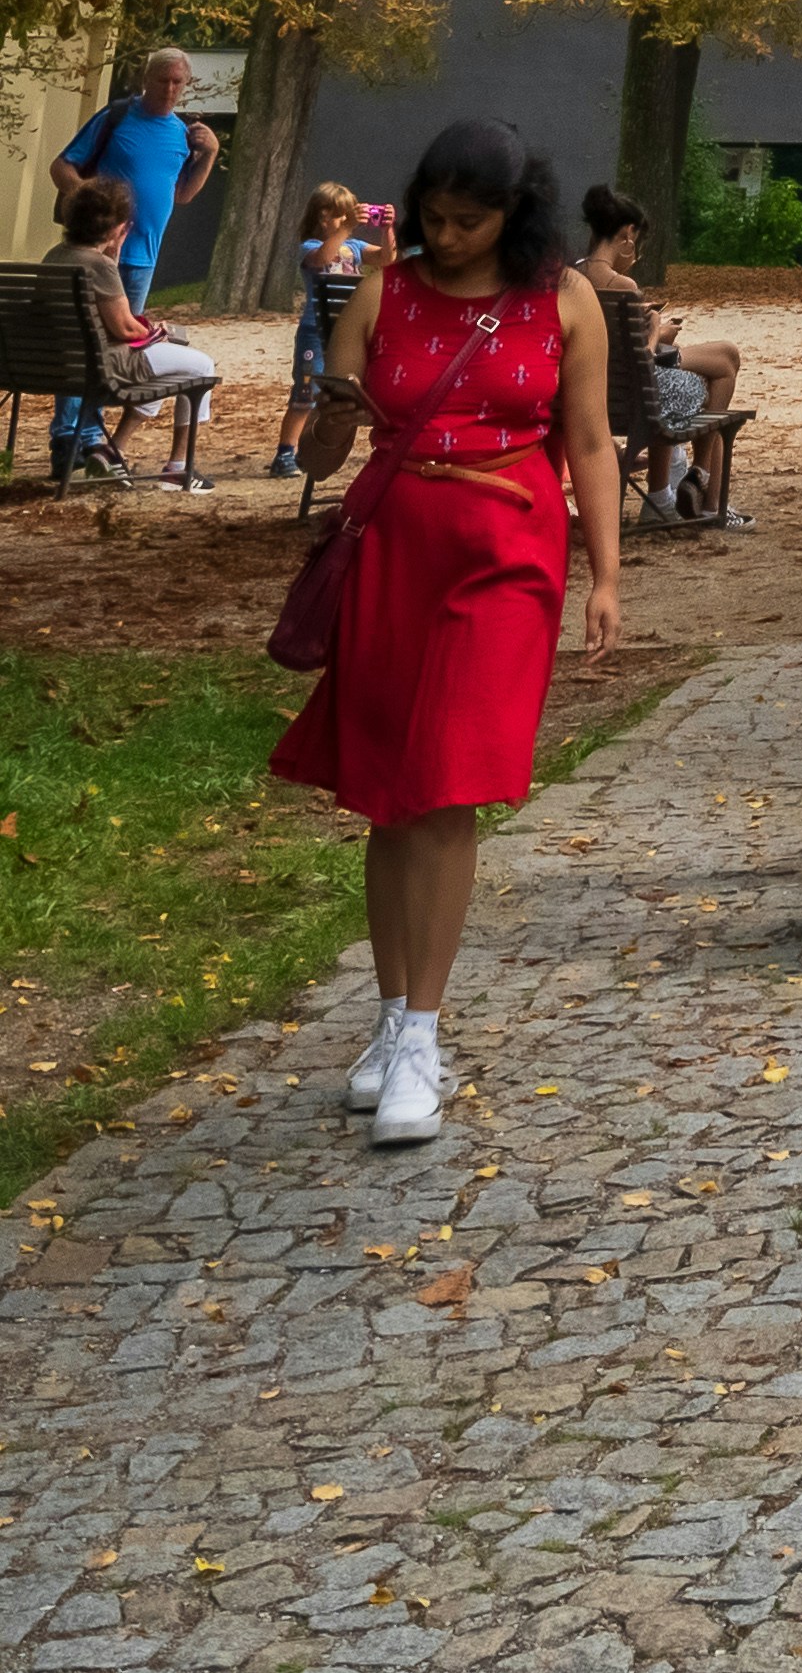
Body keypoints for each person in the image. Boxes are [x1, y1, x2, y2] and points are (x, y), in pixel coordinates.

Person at [279, 117, 619, 1152]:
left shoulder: (564, 298)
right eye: (434, 216)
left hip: (509, 546)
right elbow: (320, 452)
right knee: (389, 792)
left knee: (448, 779)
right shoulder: (386, 289)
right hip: (396, 543)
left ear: (517, 215)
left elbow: (593, 441)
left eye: (470, 221)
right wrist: (329, 402)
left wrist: (607, 574)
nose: (449, 235)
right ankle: (389, 1021)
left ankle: (423, 1031)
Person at [578, 187, 742, 521]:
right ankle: (702, 488)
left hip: (594, 395)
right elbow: (646, 357)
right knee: (722, 371)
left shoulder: (572, 277)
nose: (635, 254)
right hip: (639, 397)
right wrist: (657, 330)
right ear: (628, 234)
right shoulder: (621, 286)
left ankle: (670, 493)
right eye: (636, 245)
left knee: (720, 360)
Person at [55, 176, 224, 488]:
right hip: (105, 367)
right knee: (200, 366)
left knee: (174, 362)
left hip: (59, 366)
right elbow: (124, 327)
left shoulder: (56, 256)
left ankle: (112, 451)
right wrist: (155, 332)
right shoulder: (97, 267)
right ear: (115, 227)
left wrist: (112, 257)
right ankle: (178, 467)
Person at [55, 49, 218, 298]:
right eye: (163, 80)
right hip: (96, 251)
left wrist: (210, 154)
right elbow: (60, 167)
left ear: (186, 84)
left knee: (129, 335)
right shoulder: (116, 117)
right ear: (146, 79)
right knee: (93, 330)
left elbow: (183, 195)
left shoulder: (182, 134)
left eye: (177, 82)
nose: (169, 89)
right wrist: (94, 201)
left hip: (145, 258)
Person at [278, 183, 372, 478]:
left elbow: (388, 259)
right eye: (340, 216)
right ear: (322, 217)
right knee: (306, 393)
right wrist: (346, 230)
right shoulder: (309, 247)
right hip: (314, 332)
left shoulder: (355, 248)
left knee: (339, 391)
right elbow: (322, 259)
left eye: (349, 216)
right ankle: (285, 453)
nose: (347, 222)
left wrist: (388, 229)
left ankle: (311, 449)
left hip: (343, 332)